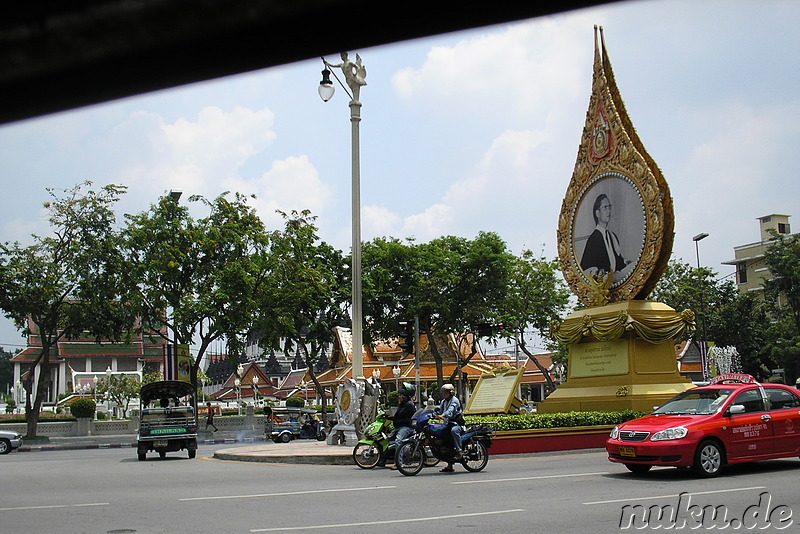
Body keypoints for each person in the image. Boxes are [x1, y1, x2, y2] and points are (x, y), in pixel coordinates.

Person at [580, 193, 632, 283]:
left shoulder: (612, 236)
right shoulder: (593, 240)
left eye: (609, 207)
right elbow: (585, 269)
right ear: (597, 213)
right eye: (605, 208)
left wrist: (626, 263)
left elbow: (618, 262)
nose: (609, 211)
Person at [381, 382, 416, 467]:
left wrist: (392, 417)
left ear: (404, 396)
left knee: (398, 441)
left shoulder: (409, 405)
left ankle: (399, 463)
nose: (399, 397)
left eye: (400, 395)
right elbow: (397, 416)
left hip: (406, 427)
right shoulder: (402, 404)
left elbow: (399, 415)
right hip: (400, 427)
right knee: (387, 440)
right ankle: (382, 460)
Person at [434, 383, 464, 472]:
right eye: (443, 393)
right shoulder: (444, 401)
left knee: (454, 431)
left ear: (451, 393)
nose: (443, 394)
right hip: (447, 423)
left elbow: (450, 411)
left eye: (445, 392)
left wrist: (443, 415)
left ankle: (459, 451)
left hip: (457, 424)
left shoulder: (454, 401)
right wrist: (432, 414)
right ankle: (449, 465)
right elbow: (440, 411)